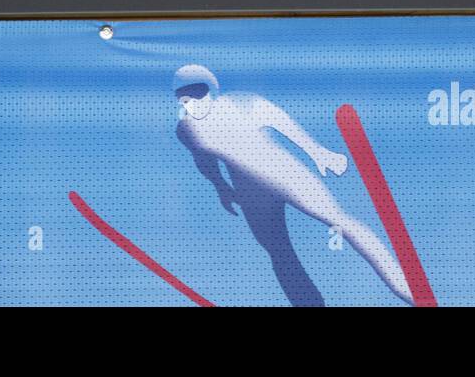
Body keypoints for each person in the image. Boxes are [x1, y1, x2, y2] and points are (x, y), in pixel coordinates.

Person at [174, 65, 413, 306]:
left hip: (285, 174)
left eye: (197, 95)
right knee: (279, 253)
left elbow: (282, 123)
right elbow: (204, 160)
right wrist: (221, 188)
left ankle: (406, 289)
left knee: (341, 221)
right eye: (185, 100)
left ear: (211, 91)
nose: (192, 104)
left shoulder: (241, 103)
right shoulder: (186, 129)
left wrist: (318, 152)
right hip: (251, 194)